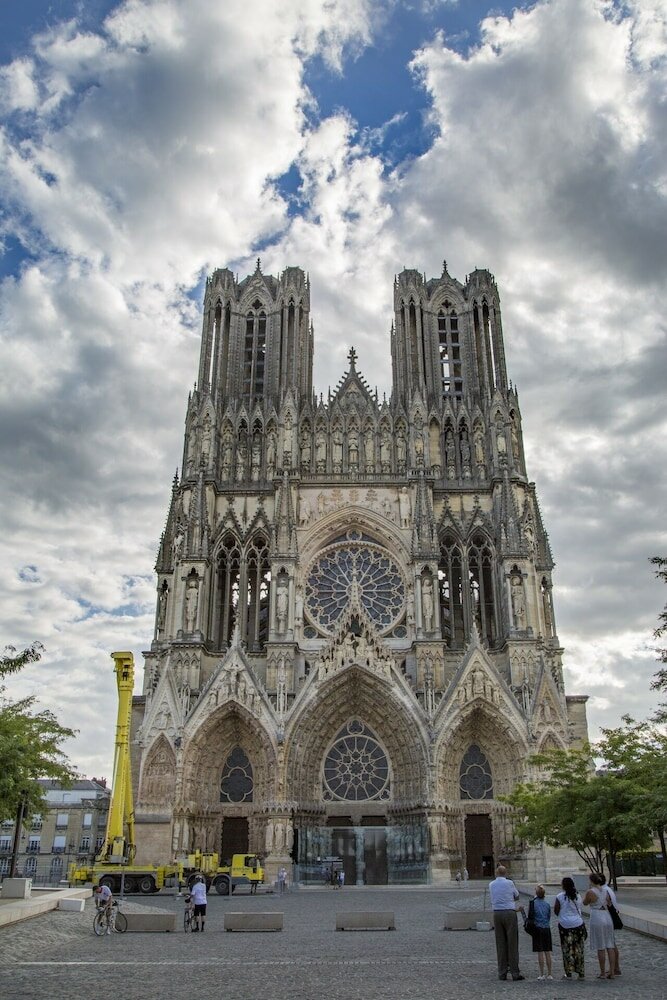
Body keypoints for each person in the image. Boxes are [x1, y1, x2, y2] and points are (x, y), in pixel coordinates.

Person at [489, 864, 524, 981]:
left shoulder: (491, 884)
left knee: (500, 943)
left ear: (496, 873)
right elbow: (517, 896)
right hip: (509, 913)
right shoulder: (509, 883)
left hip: (497, 914)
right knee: (512, 943)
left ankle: (502, 972)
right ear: (506, 873)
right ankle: (515, 973)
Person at [583, 872, 616, 979]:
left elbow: (585, 903)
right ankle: (612, 971)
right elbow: (609, 903)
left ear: (591, 881)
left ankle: (602, 972)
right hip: (607, 916)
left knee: (601, 946)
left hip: (597, 916)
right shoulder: (606, 891)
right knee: (610, 945)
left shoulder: (590, 892)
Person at [554, 876, 585, 980]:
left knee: (567, 949)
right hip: (578, 924)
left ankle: (568, 972)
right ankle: (581, 973)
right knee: (579, 949)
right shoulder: (577, 896)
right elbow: (580, 908)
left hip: (565, 925)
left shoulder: (560, 896)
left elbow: (556, 910)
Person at [529, 884, 553, 980]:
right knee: (547, 951)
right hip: (546, 928)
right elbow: (548, 916)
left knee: (540, 951)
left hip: (537, 928)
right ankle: (550, 973)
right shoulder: (547, 904)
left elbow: (531, 916)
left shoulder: (533, 903)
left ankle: (542, 973)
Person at [601, 877, 622, 976]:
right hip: (611, 918)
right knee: (612, 943)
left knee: (610, 945)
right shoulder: (608, 889)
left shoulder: (604, 891)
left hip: (608, 919)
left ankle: (614, 968)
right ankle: (616, 967)